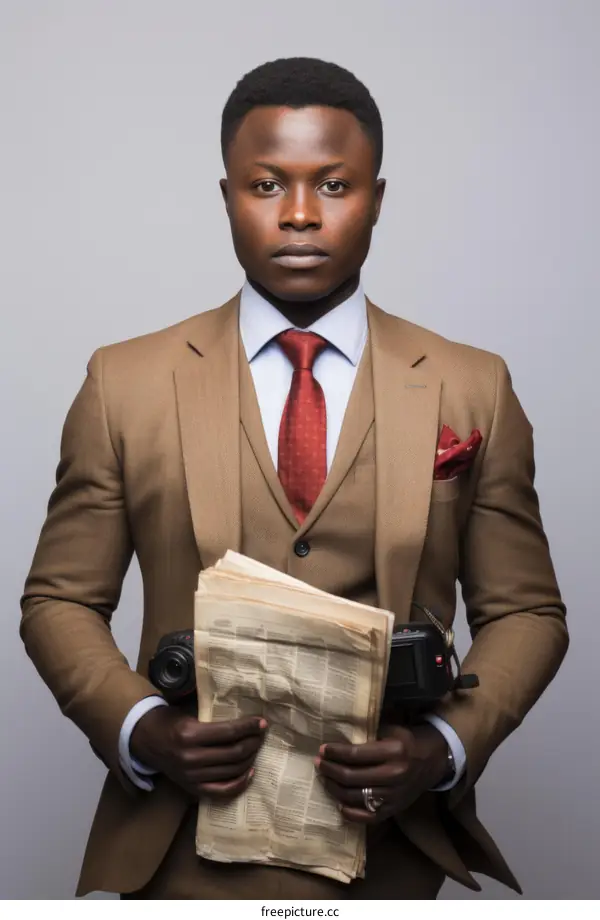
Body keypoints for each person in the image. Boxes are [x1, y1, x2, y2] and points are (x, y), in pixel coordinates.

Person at [20, 57, 568, 900]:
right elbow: (58, 599)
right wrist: (143, 726)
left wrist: (444, 748)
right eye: (268, 185)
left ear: (377, 199)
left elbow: (527, 610)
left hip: (392, 853)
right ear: (227, 197)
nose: (302, 215)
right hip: (178, 853)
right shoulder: (123, 382)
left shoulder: (470, 384)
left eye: (336, 186)